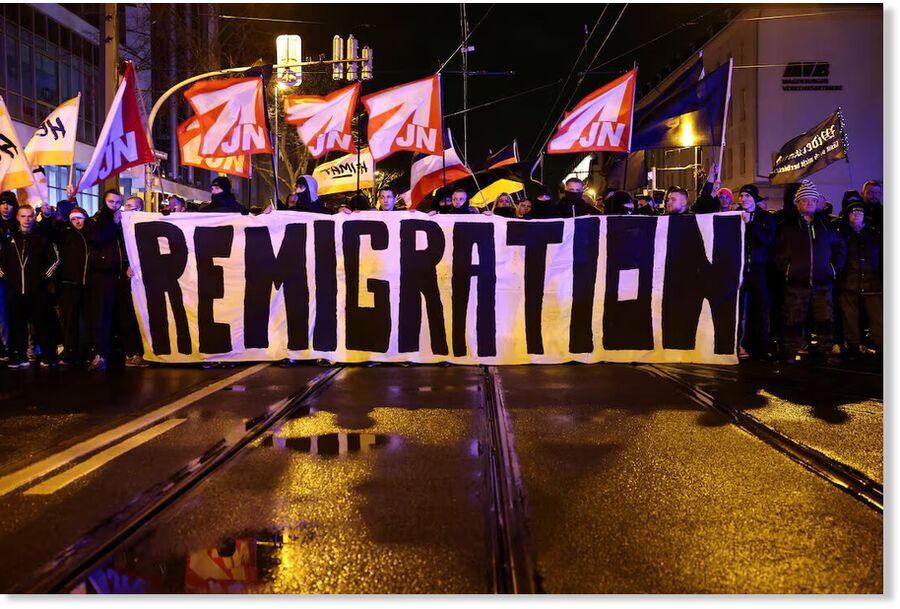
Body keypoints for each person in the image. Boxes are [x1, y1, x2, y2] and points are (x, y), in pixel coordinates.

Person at [774, 180, 846, 363]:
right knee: (793, 319)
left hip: (823, 282)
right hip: (796, 283)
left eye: (812, 201)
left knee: (825, 318)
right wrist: (788, 270)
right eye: (805, 200)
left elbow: (839, 250)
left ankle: (826, 350)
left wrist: (833, 269)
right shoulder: (787, 228)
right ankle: (791, 351)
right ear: (797, 204)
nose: (809, 204)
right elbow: (778, 253)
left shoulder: (827, 227)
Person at [86, 189, 145, 370]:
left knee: (125, 316)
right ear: (105, 202)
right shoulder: (96, 221)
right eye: (111, 202)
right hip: (103, 276)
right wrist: (113, 223)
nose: (115, 205)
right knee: (102, 318)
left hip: (122, 276)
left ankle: (132, 353)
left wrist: (130, 265)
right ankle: (100, 355)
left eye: (118, 202)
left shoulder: (124, 222)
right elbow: (96, 239)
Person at [0, 204, 60, 368]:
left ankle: (47, 356)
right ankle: (19, 356)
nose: (26, 220)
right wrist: (6, 278)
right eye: (23, 216)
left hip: (38, 290)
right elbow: (1, 263)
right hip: (15, 290)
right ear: (17, 218)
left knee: (42, 324)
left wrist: (43, 280)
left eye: (29, 216)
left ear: (34, 217)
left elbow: (54, 261)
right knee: (17, 324)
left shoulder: (42, 238)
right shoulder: (9, 239)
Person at [735, 184, 777, 360]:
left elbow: (767, 240)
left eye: (747, 196)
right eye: (742, 195)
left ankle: (759, 346)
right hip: (740, 270)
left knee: (759, 310)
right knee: (737, 310)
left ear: (754, 198)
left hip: (759, 270)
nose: (744, 199)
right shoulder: (734, 216)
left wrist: (750, 225)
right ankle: (737, 344)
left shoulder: (766, 218)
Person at [837, 200, 882, 360]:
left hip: (873, 283)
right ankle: (853, 346)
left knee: (877, 317)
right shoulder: (841, 234)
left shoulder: (874, 234)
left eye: (860, 212)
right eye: (853, 212)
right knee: (849, 317)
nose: (856, 214)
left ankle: (879, 345)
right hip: (848, 282)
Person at [53, 206, 93, 366]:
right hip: (70, 284)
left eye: (80, 218)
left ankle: (88, 351)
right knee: (70, 321)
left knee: (89, 320)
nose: (77, 222)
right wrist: (51, 217)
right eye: (73, 219)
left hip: (90, 285)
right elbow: (52, 232)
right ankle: (70, 351)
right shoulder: (66, 235)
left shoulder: (93, 234)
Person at [0, 191, 16, 360]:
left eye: (9, 203)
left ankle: (16, 347)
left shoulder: (18, 225)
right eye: (2, 203)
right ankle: (5, 346)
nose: (5, 207)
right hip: (1, 278)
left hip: (18, 277)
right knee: (2, 314)